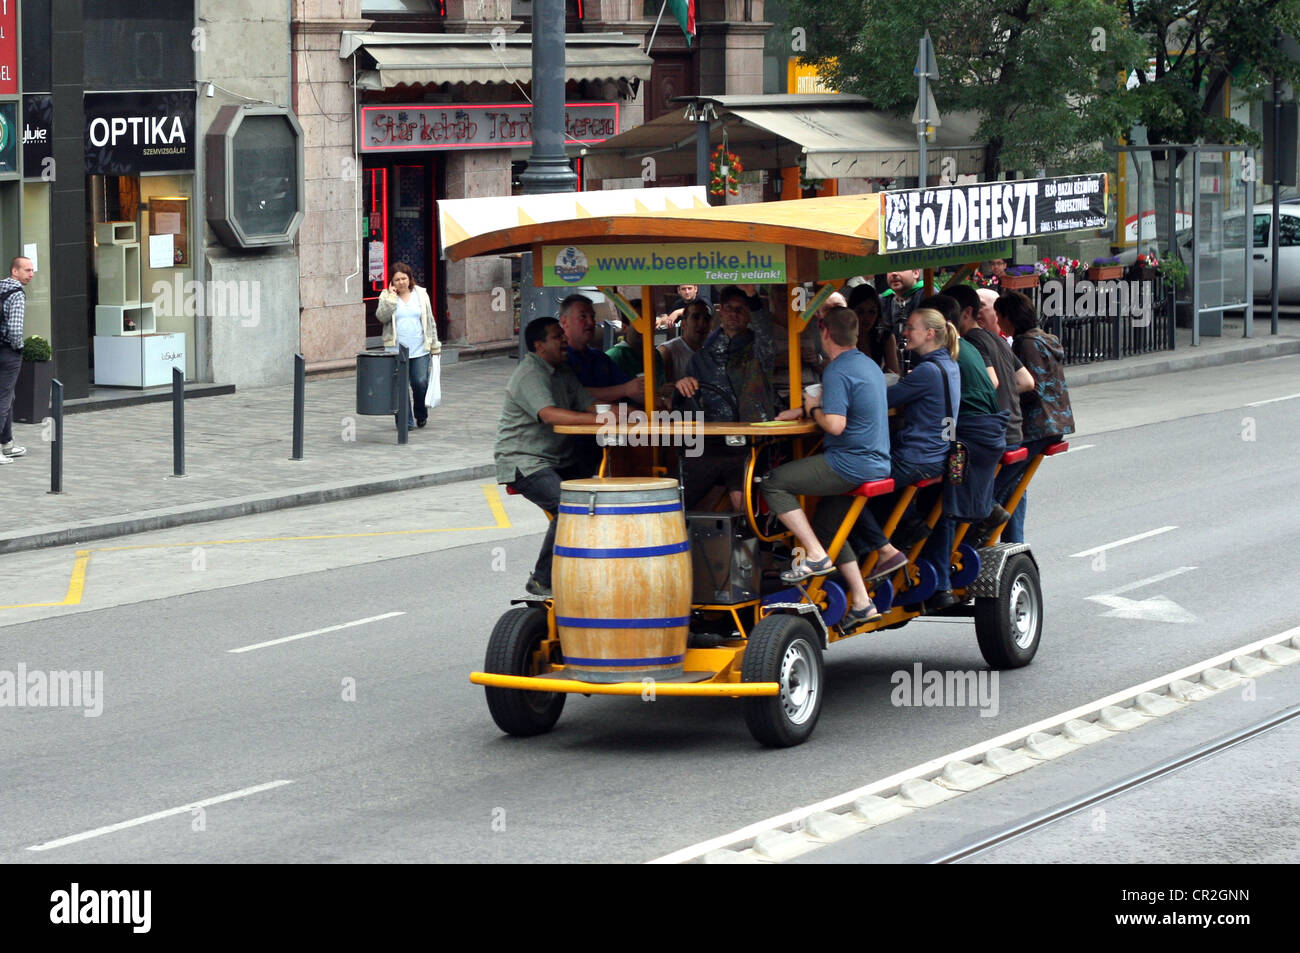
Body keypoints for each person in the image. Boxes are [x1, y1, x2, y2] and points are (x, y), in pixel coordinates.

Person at [761, 306, 892, 627]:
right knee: (828, 528)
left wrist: (815, 406)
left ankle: (815, 556)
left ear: (824, 333)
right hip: (877, 460)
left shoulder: (836, 371)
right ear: (856, 333)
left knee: (774, 481)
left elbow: (834, 424)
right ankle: (862, 602)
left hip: (850, 463)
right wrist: (804, 410)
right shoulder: (868, 364)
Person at [495, 317, 604, 597]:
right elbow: (549, 414)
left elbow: (589, 405)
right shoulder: (530, 373)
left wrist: (623, 414)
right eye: (558, 337)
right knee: (569, 506)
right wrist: (597, 421)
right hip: (525, 462)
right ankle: (543, 579)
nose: (565, 340)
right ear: (539, 345)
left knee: (600, 501)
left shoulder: (563, 371)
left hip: (558, 459)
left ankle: (583, 569)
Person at [915, 293, 1009, 609]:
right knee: (948, 495)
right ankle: (989, 508)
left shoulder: (944, 354)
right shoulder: (965, 346)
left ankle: (940, 584)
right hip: (988, 432)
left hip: (966, 439)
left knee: (943, 500)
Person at [674, 285, 776, 510]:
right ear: (720, 311)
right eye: (729, 308)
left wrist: (753, 296)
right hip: (711, 443)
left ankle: (748, 541)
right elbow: (684, 401)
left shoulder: (759, 351)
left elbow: (766, 334)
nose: (734, 313)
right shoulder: (701, 358)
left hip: (751, 444)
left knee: (743, 500)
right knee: (681, 495)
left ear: (749, 314)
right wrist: (682, 385)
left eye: (741, 309)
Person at [993, 290, 1076, 543]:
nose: (997, 323)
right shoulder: (1044, 339)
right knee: (1016, 485)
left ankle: (987, 525)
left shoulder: (1024, 343)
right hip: (1055, 423)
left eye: (999, 316)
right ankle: (1013, 541)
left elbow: (1031, 388)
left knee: (996, 486)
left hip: (1038, 426)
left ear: (1010, 318)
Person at [374, 262, 439, 430]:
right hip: (395, 350)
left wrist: (435, 345)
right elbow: (381, 317)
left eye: (404, 278)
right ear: (392, 282)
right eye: (397, 280)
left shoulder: (421, 294)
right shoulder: (386, 296)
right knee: (399, 387)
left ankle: (421, 413)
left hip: (419, 348)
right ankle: (405, 421)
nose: (401, 282)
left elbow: (430, 320)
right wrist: (391, 298)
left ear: (410, 279)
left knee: (420, 382)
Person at [558, 293, 642, 404]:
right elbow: (574, 393)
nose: (591, 322)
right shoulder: (559, 358)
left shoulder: (600, 358)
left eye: (592, 317)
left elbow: (631, 388)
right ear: (564, 322)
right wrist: (624, 390)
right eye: (583, 316)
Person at [0, 256, 34, 463]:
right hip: (8, 353)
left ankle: (7, 443)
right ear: (15, 271)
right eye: (27, 270)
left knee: (7, 396)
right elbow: (15, 330)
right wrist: (20, 347)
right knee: (3, 399)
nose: (31, 274)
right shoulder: (17, 295)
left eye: (32, 270)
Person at [605, 300, 667, 400]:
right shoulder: (613, 357)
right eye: (640, 322)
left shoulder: (655, 355)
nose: (646, 327)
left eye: (650, 322)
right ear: (624, 327)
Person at [848, 283, 901, 377]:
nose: (866, 318)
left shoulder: (885, 336)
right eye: (860, 312)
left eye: (871, 312)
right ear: (851, 312)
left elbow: (893, 374)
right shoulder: (843, 337)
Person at [880, 269, 925, 373]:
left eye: (901, 269)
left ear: (916, 272)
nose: (894, 273)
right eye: (890, 269)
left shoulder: (928, 295)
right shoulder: (883, 300)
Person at [658, 298, 711, 384]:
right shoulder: (667, 352)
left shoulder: (712, 352)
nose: (702, 323)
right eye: (696, 318)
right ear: (683, 324)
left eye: (706, 319)